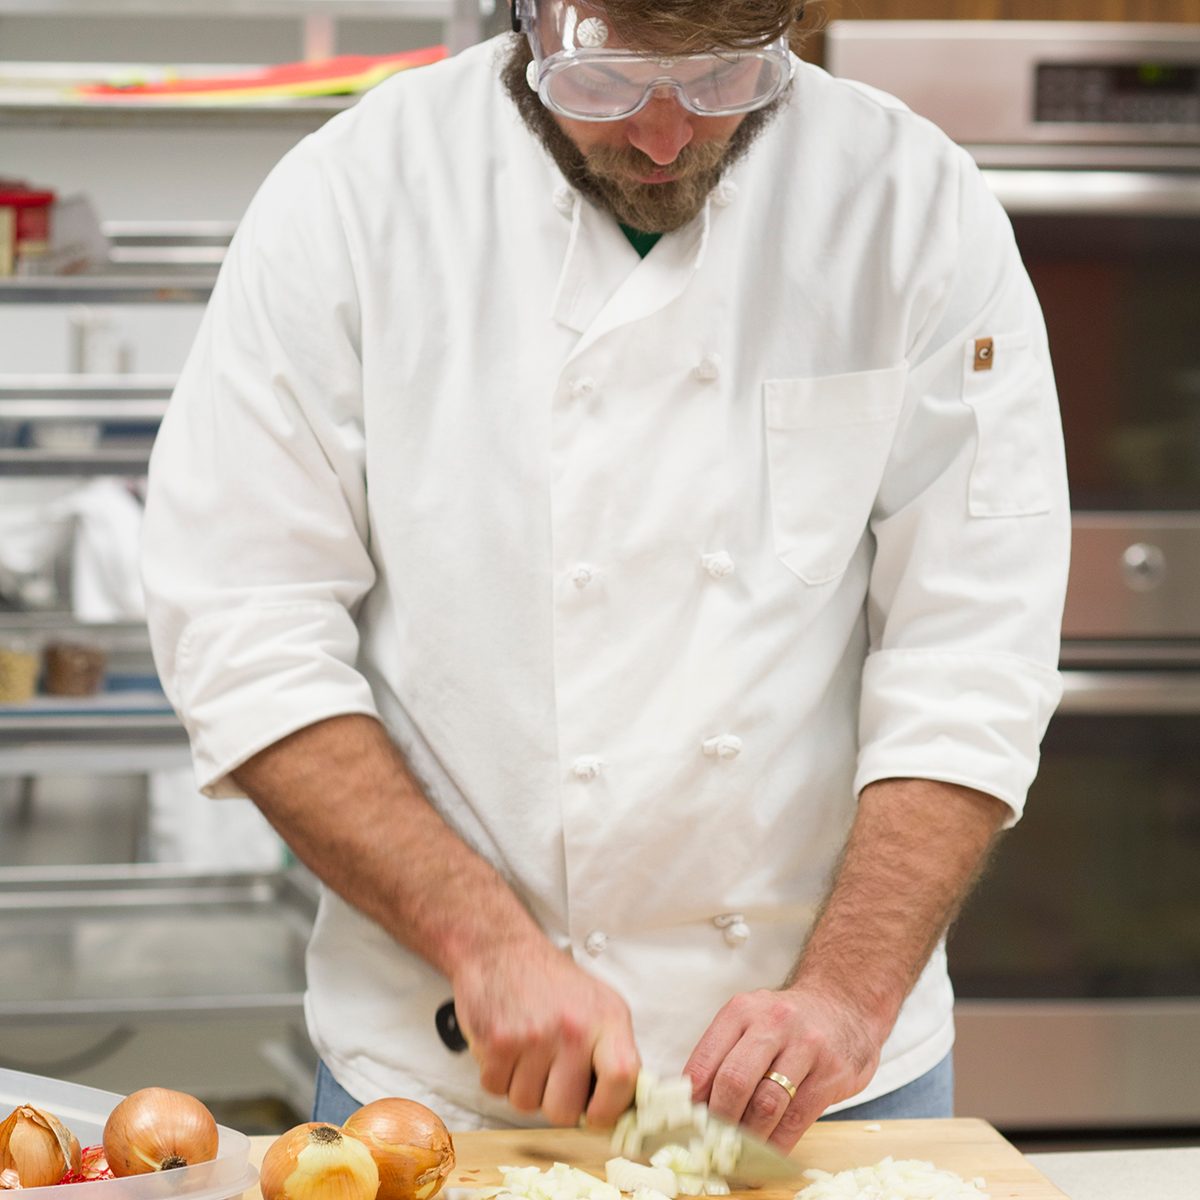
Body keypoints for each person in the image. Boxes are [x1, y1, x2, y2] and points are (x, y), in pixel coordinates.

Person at [141, 0, 1070, 1151]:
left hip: (831, 1086)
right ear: (525, 15)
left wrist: (847, 991)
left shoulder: (908, 204)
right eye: (609, 79)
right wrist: (480, 940)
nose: (670, 135)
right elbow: (242, 623)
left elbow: (974, 644)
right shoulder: (354, 198)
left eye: (729, 76)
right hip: (445, 1086)